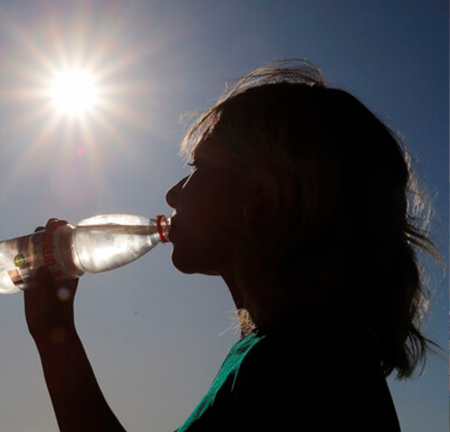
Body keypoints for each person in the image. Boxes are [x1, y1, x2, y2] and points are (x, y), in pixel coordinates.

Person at [22, 60, 441, 432]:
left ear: (259, 194)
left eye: (198, 167)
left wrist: (57, 342)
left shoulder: (298, 368)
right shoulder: (291, 350)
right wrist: (54, 335)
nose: (172, 194)